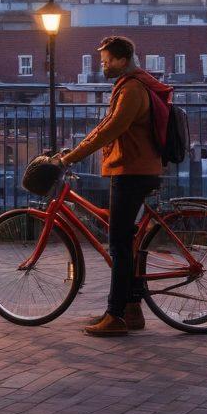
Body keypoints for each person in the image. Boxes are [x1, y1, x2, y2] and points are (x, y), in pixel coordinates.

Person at [58, 36, 169, 337]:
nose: (103, 66)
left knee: (118, 245)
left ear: (122, 60)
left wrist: (70, 158)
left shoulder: (132, 89)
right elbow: (105, 126)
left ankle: (115, 316)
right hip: (135, 168)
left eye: (107, 61)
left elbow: (111, 130)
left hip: (132, 171)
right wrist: (74, 151)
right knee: (126, 243)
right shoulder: (130, 85)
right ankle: (132, 311)